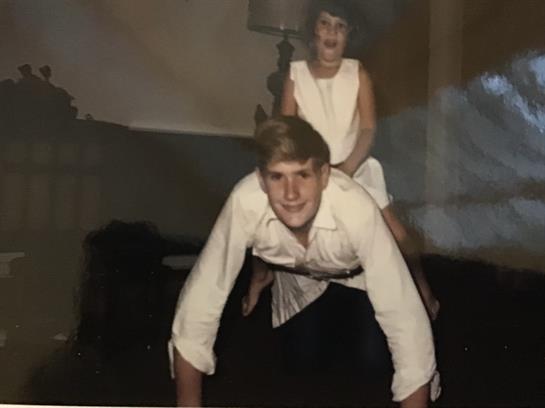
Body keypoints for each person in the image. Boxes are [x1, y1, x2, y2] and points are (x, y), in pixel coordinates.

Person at [170, 116, 438, 407]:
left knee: (373, 358)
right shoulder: (244, 201)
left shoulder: (356, 209)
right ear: (261, 180)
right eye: (277, 177)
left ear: (324, 176)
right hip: (298, 275)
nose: (291, 193)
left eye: (303, 175)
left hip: (358, 275)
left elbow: (404, 317)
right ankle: (286, 290)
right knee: (302, 360)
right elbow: (200, 302)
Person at [242, 0, 439, 321]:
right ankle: (259, 276)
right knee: (262, 214)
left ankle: (421, 287)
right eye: (324, 24)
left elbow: (368, 128)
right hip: (310, 171)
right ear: (313, 32)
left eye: (340, 26)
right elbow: (287, 131)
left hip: (354, 167)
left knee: (397, 231)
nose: (331, 32)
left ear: (349, 35)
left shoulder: (356, 73)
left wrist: (346, 168)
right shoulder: (296, 74)